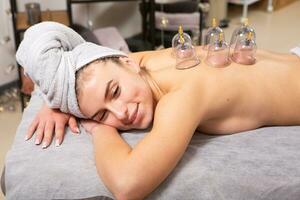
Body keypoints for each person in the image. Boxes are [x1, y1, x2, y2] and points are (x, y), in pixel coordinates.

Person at [17, 22, 300, 199]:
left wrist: (100, 127)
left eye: (114, 92)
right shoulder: (140, 62)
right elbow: (81, 76)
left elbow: (127, 185)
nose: (121, 113)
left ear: (125, 62)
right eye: (103, 113)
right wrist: (53, 102)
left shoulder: (183, 97)